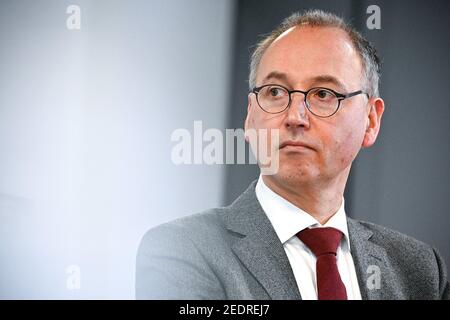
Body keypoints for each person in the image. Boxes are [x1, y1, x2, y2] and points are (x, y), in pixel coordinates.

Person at [135, 9, 449, 300]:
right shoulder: (184, 250)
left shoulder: (420, 269)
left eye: (323, 94)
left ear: (370, 120)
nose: (294, 116)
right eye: (274, 92)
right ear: (250, 117)